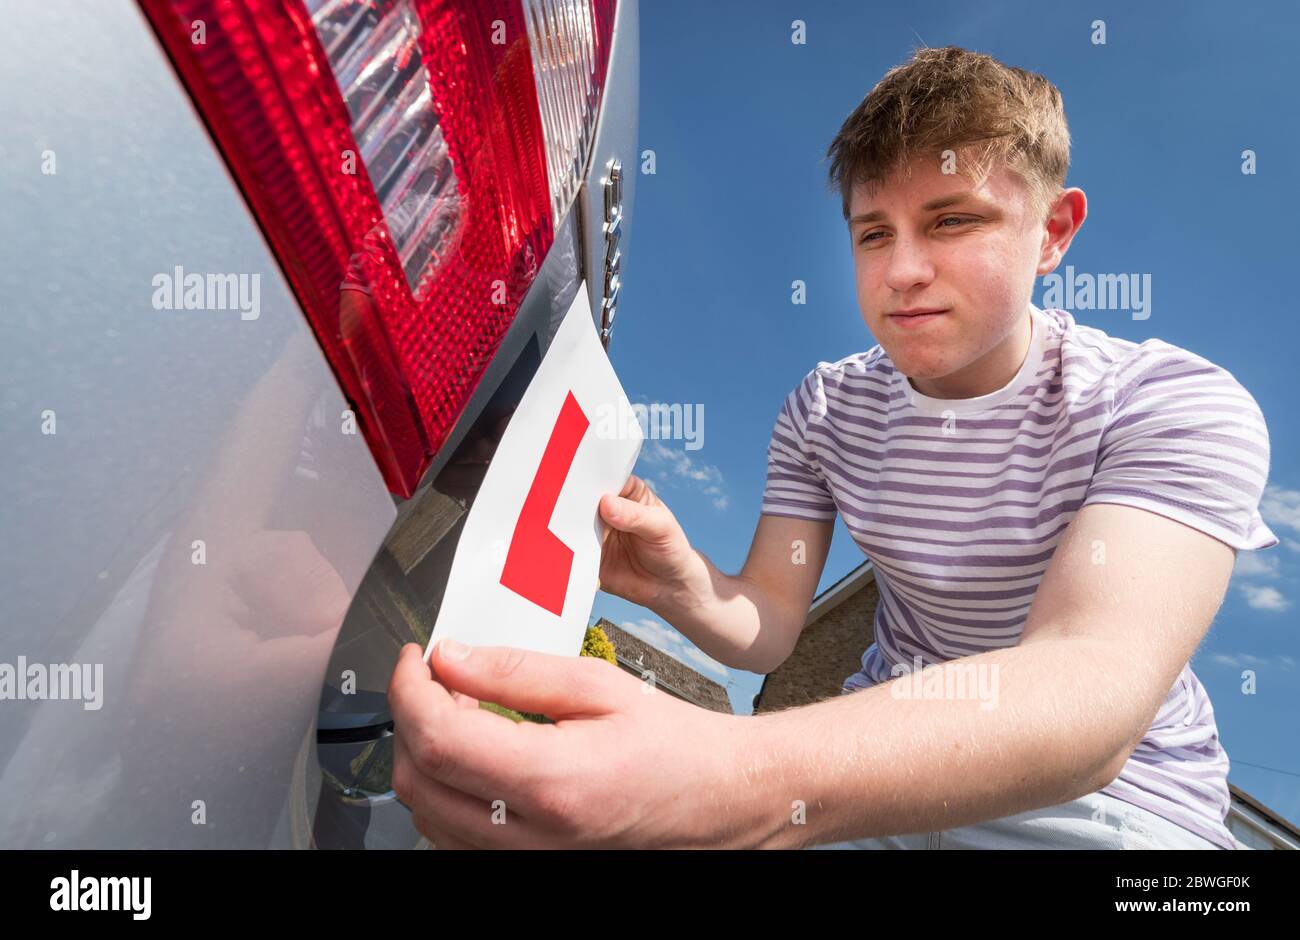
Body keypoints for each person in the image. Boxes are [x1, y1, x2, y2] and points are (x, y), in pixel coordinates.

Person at [386, 45, 1277, 850]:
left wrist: (735, 783)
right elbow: (769, 630)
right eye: (874, 233)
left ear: (1051, 232)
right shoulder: (825, 407)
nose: (902, 271)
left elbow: (1088, 697)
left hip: (1118, 807)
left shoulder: (1170, 401)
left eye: (953, 222)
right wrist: (682, 585)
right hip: (863, 763)